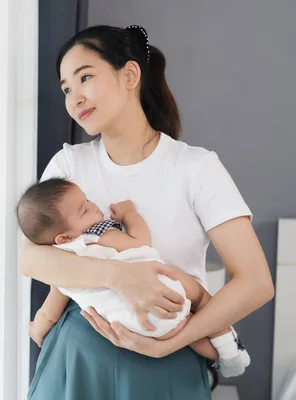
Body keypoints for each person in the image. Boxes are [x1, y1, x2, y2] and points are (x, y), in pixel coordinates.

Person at [19, 25, 274, 399]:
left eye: (85, 77)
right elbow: (32, 259)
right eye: (66, 89)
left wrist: (172, 342)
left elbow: (255, 282)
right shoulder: (69, 165)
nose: (74, 98)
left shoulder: (195, 167)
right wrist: (120, 277)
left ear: (130, 75)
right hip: (77, 360)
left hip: (169, 357)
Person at [16, 178, 251, 377]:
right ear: (64, 238)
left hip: (134, 327)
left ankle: (224, 359)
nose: (94, 206)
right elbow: (140, 242)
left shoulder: (63, 272)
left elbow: (49, 312)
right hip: (161, 286)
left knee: (185, 329)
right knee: (199, 299)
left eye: (87, 200)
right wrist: (130, 215)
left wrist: (37, 329)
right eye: (85, 210)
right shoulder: (97, 236)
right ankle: (229, 351)